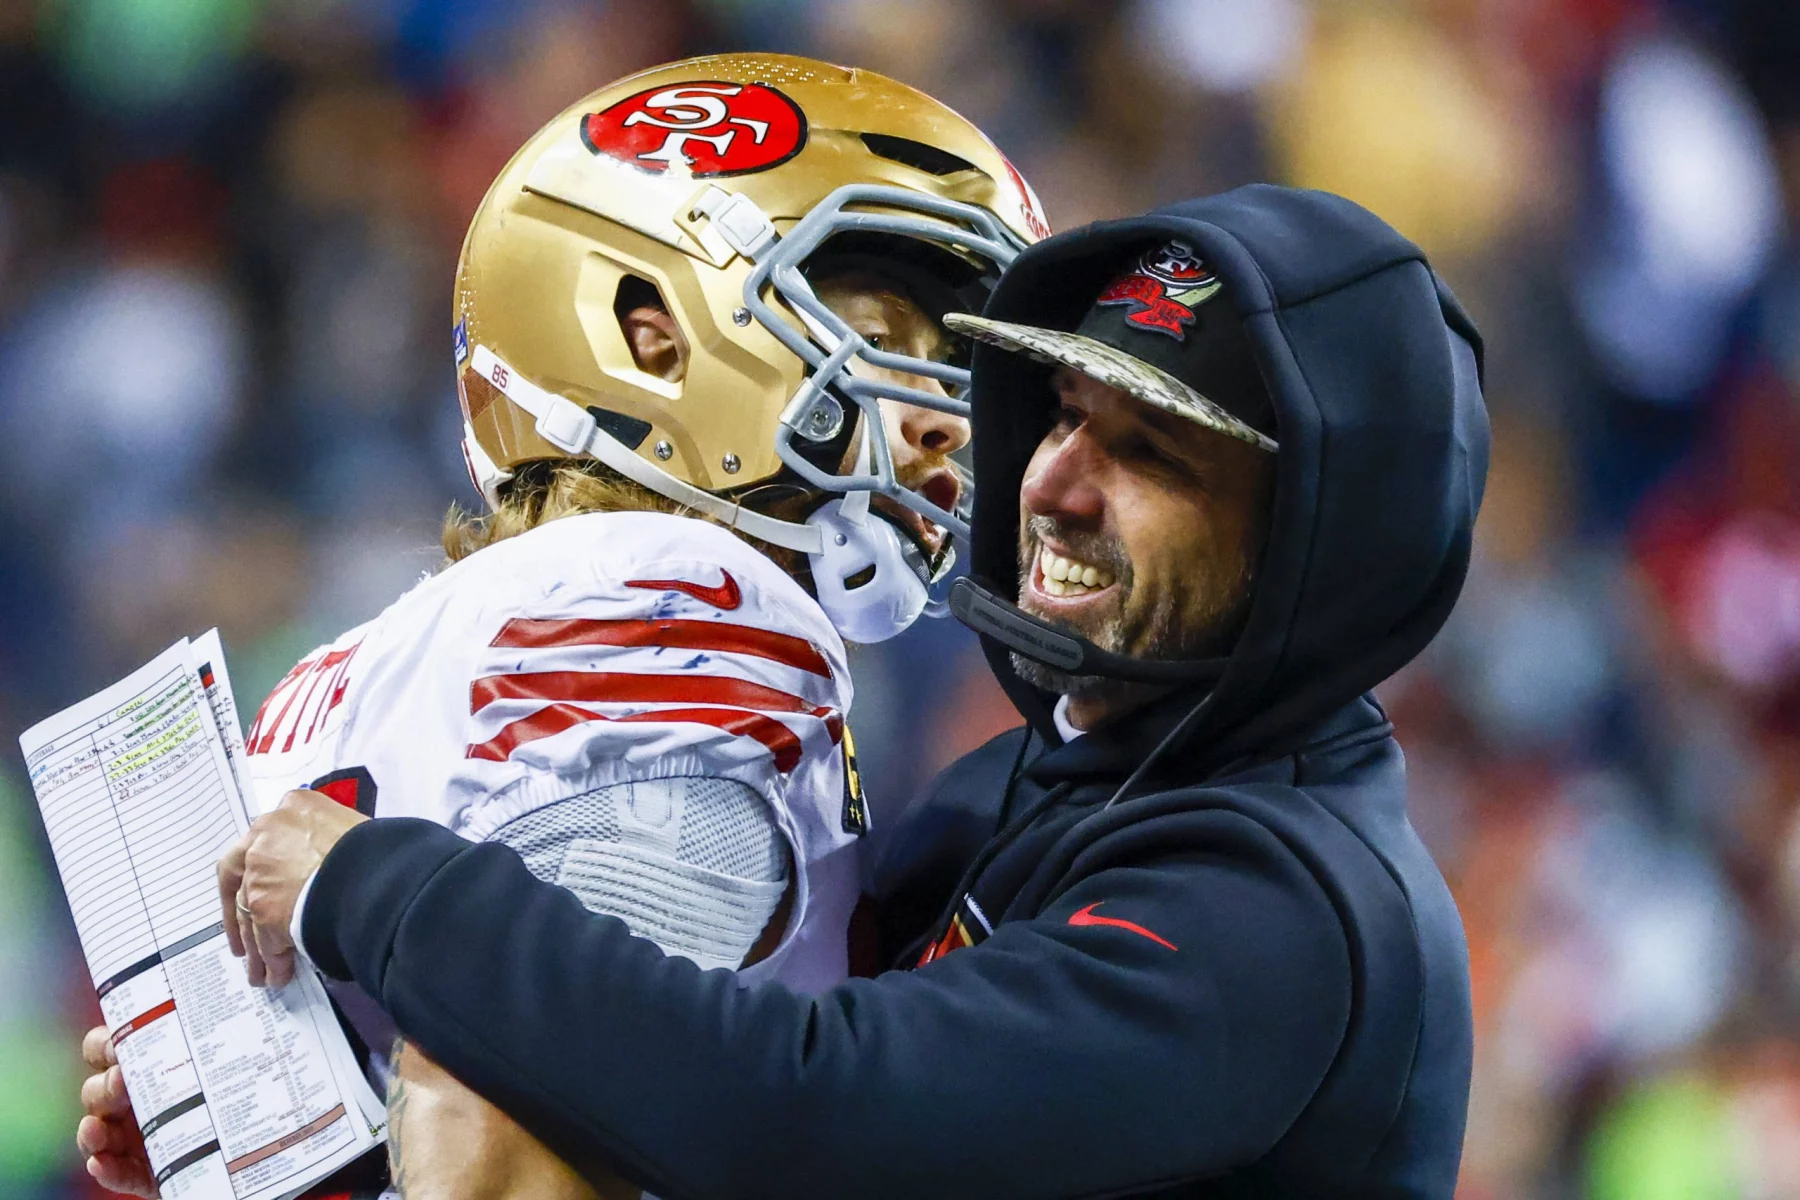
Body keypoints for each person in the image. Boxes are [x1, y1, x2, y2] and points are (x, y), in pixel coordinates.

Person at [99, 186, 1489, 1196]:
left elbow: (805, 1116)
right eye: (1065, 415)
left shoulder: (1285, 911)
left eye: (1155, 458)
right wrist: (286, 1112)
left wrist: (382, 889)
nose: (1055, 486)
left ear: (1314, 546)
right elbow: (672, 1062)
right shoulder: (1021, 788)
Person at [72, 52, 1041, 1200]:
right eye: (881, 335)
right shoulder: (686, 596)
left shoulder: (366, 652)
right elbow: (523, 1092)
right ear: (650, 336)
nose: (942, 422)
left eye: (951, 370)